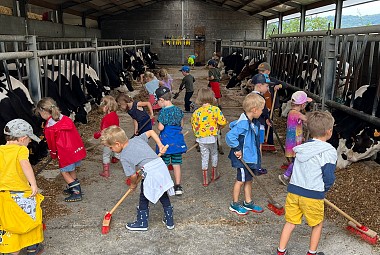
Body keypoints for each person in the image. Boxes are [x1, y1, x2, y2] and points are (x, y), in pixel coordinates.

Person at [277, 111, 336, 255]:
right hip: (313, 195)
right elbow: (328, 176)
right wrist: (324, 189)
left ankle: (280, 251)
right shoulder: (329, 151)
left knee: (290, 222)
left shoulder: (302, 148)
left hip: (294, 192)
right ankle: (312, 253)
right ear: (329, 132)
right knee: (317, 224)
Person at [100, 126, 175, 231]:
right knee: (162, 191)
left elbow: (133, 176)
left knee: (143, 197)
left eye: (111, 147)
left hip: (151, 173)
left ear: (117, 144)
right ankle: (169, 221)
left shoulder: (124, 156)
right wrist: (160, 144)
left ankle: (142, 222)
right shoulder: (137, 139)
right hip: (160, 167)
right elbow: (151, 132)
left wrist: (133, 184)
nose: (111, 150)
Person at [0, 119, 44, 255]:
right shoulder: (21, 150)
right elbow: (25, 165)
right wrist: (33, 184)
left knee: (10, 223)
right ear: (23, 138)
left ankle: (14, 250)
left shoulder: (1, 150)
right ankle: (31, 247)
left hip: (4, 195)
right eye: (29, 139)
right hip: (20, 194)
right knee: (30, 218)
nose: (30, 142)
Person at [36, 97, 86, 202]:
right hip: (75, 149)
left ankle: (76, 192)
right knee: (71, 169)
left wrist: (53, 154)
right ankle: (73, 187)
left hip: (65, 152)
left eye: (39, 113)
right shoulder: (64, 118)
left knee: (64, 172)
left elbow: (52, 144)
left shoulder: (50, 127)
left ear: (44, 112)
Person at [225, 93, 266, 215]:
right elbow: (230, 136)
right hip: (241, 159)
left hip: (249, 157)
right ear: (254, 110)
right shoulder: (244, 124)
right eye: (261, 109)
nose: (262, 112)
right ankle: (234, 204)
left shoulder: (252, 122)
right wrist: (237, 149)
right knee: (240, 180)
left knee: (249, 180)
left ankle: (248, 202)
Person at [191, 88, 227, 187]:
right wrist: (219, 127)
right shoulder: (215, 110)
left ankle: (205, 180)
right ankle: (214, 175)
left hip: (201, 138)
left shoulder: (196, 112)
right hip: (212, 137)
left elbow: (194, 126)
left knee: (204, 156)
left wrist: (197, 134)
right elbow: (223, 122)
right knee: (214, 154)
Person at [155, 86, 187, 196]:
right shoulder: (178, 110)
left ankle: (165, 185)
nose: (157, 104)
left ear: (161, 100)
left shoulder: (163, 112)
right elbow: (182, 124)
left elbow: (160, 128)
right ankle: (178, 186)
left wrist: (158, 124)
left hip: (166, 143)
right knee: (176, 163)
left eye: (157, 102)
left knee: (164, 164)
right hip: (177, 142)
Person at [279, 91, 312, 186]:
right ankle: (285, 176)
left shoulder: (294, 113)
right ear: (302, 104)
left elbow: (298, 127)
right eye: (305, 103)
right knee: (297, 160)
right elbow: (307, 119)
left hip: (295, 139)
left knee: (296, 160)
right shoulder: (294, 113)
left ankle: (293, 176)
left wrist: (301, 138)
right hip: (293, 141)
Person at [256, 62, 287, 148]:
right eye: (260, 71)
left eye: (263, 71)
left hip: (270, 107)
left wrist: (279, 86)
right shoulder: (257, 80)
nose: (261, 73)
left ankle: (270, 142)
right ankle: (259, 141)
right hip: (259, 107)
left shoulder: (273, 81)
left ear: (268, 72)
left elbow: (285, 85)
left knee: (269, 123)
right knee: (259, 123)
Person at [250, 73, 275, 175]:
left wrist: (266, 119)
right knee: (258, 146)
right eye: (267, 86)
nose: (267, 88)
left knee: (252, 145)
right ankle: (258, 167)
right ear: (260, 85)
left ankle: (252, 165)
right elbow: (264, 111)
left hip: (252, 124)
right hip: (259, 126)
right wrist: (267, 117)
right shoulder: (260, 98)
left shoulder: (250, 96)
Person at [93, 96, 120, 178]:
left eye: (103, 106)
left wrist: (97, 135)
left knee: (106, 155)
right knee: (115, 148)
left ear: (106, 107)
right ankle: (115, 158)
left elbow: (103, 131)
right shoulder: (115, 115)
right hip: (116, 136)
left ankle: (106, 172)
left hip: (108, 140)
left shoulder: (106, 118)